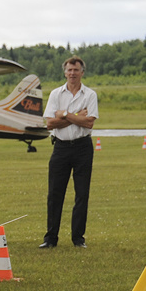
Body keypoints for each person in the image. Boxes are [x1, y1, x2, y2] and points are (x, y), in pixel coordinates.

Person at [40, 55, 98, 249]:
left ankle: (78, 238)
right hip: (61, 147)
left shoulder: (90, 95)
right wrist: (74, 116)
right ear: (65, 72)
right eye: (69, 70)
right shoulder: (56, 94)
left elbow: (89, 121)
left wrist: (63, 114)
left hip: (83, 147)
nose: (72, 73)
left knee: (82, 194)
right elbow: (49, 123)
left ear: (82, 72)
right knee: (55, 194)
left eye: (76, 70)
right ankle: (50, 238)